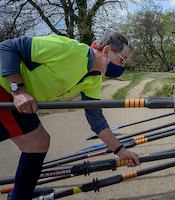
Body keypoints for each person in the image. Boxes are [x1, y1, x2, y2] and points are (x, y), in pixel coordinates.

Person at [0, 32, 141, 200]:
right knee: (37, 141)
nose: (122, 67)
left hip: (17, 101)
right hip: (5, 90)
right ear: (107, 51)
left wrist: (121, 150)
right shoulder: (69, 49)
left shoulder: (93, 79)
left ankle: (21, 195)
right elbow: (6, 47)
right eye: (122, 60)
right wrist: (19, 90)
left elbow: (97, 121)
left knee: (38, 142)